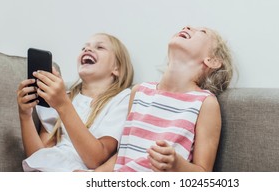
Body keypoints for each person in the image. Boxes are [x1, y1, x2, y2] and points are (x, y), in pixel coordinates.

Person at [96, 25, 234, 172]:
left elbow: (204, 173)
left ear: (212, 61)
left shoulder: (205, 103)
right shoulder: (139, 92)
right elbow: (123, 154)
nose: (187, 27)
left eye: (202, 31)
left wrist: (177, 165)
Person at [16, 33, 134, 171]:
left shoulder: (121, 100)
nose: (87, 50)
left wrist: (63, 105)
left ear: (117, 68)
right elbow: (38, 157)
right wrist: (25, 115)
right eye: (84, 47)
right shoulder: (62, 97)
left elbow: (95, 159)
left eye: (100, 47)